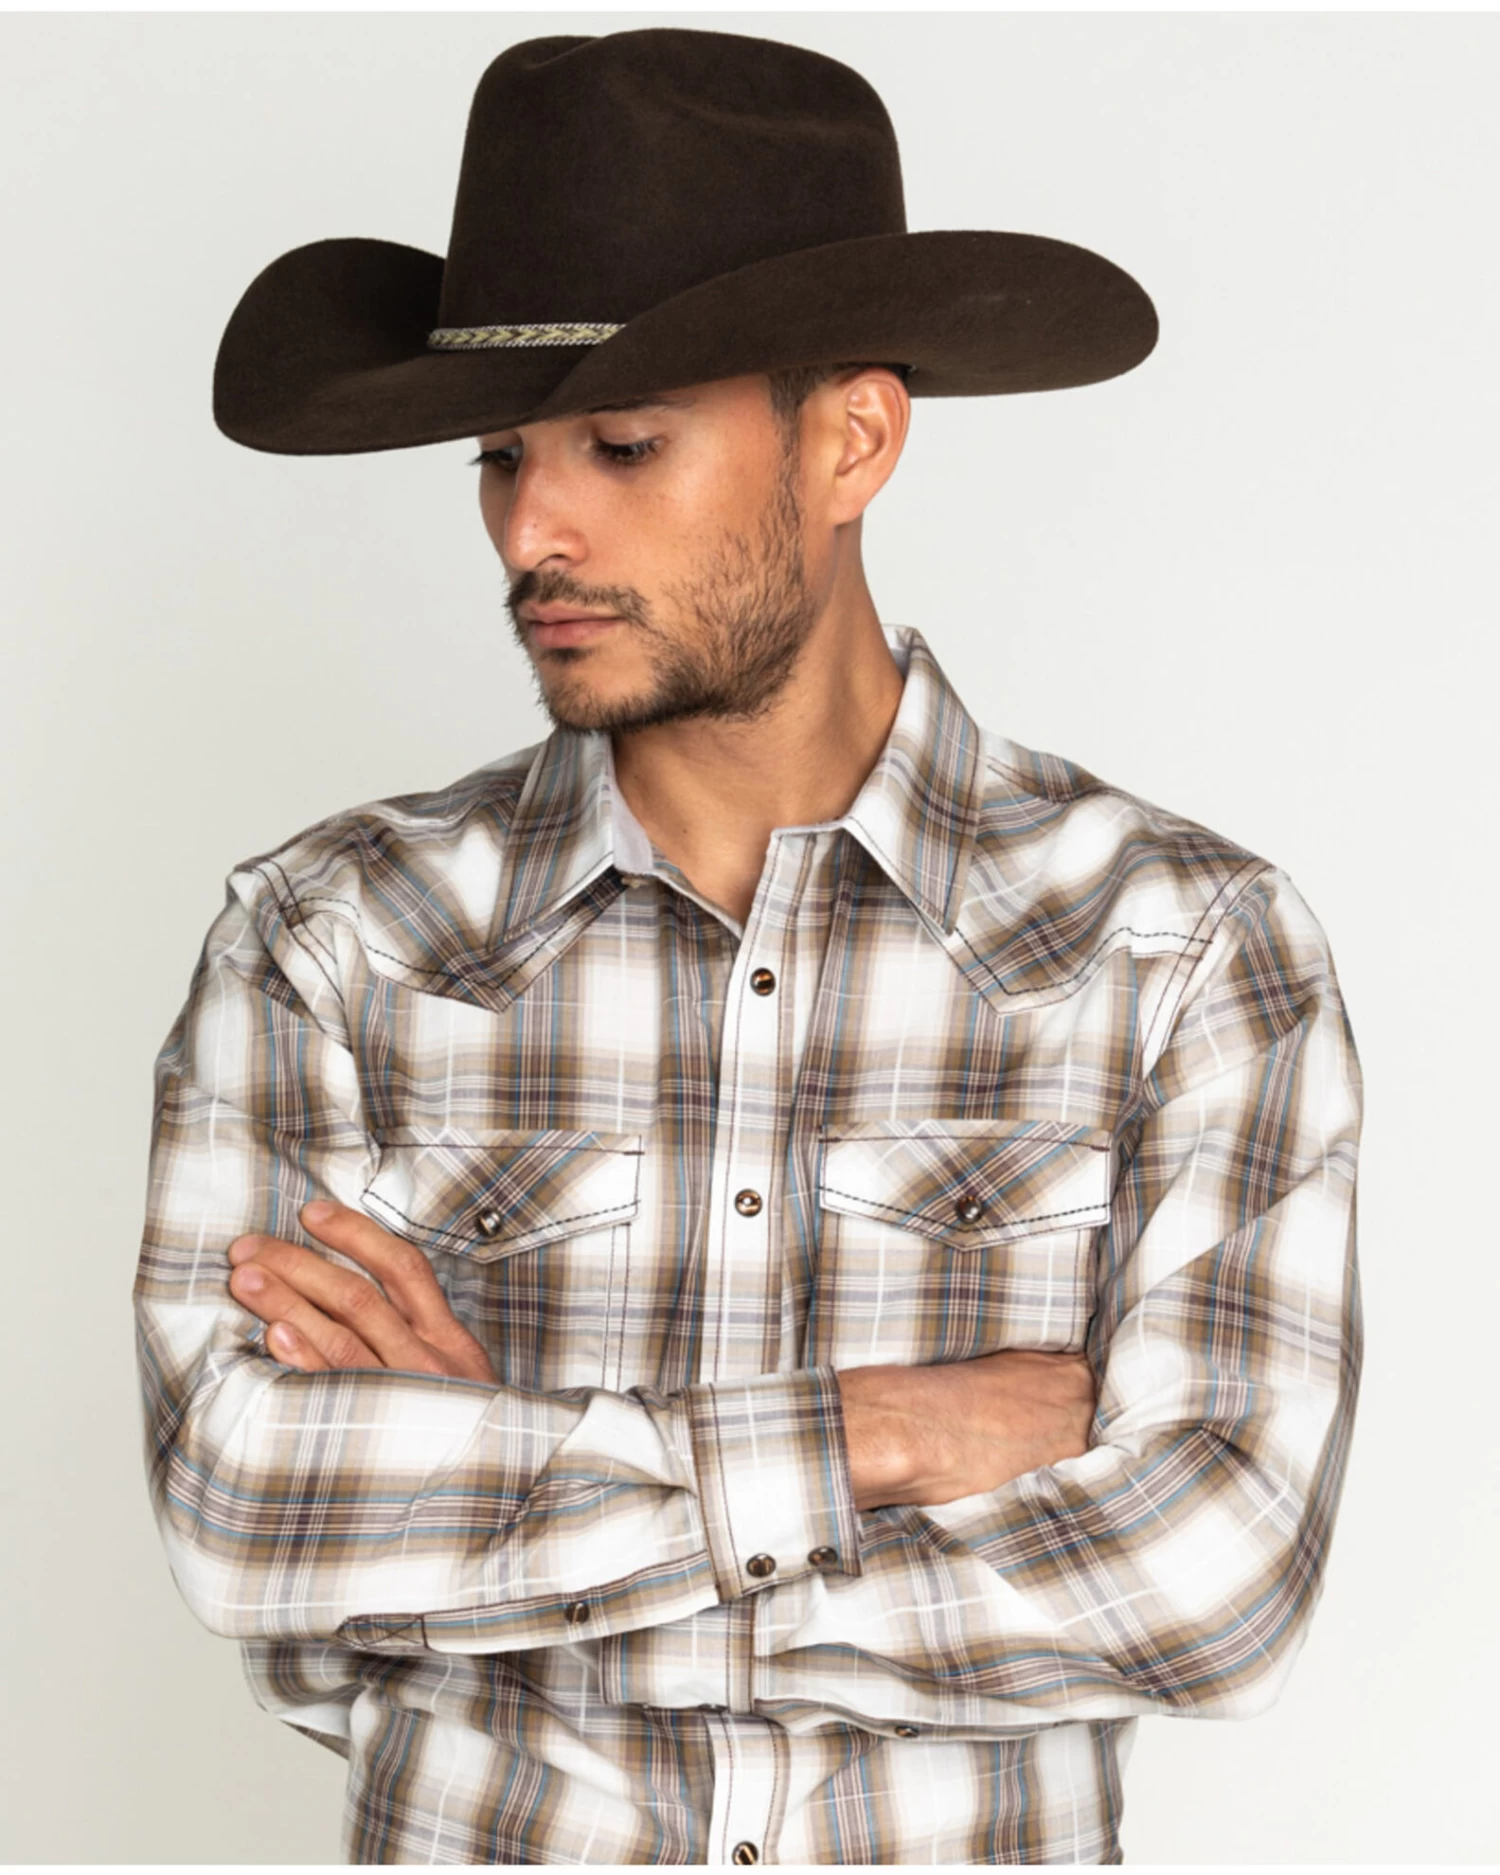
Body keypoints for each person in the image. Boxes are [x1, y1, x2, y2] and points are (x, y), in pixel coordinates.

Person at [134, 25, 1363, 1867]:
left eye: (623, 445)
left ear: (852, 439)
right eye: (501, 455)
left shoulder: (1184, 951)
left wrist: (510, 1534)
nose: (532, 528)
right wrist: (878, 1433)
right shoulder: (332, 942)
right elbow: (248, 1515)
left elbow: (1215, 1580)